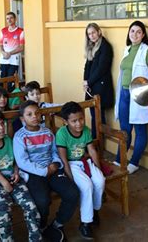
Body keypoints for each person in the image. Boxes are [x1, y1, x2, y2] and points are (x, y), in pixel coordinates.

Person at [13, 101, 79, 242]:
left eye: (37, 113)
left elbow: (55, 152)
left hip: (52, 168)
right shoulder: (19, 136)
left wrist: (55, 163)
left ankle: (57, 224)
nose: (34, 117)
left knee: (72, 193)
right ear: (22, 119)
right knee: (42, 201)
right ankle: (42, 226)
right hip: (34, 173)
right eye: (29, 114)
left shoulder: (47, 132)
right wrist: (44, 171)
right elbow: (22, 161)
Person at [0, 109, 42, 242]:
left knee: (31, 207)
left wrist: (16, 172)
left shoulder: (8, 139)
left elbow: (15, 161)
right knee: (3, 212)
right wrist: (4, 183)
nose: (1, 128)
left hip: (13, 178)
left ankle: (36, 238)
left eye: (2, 124)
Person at [114, 21, 148, 174]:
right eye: (132, 31)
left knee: (140, 130)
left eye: (138, 32)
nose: (134, 34)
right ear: (128, 33)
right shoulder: (127, 50)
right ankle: (119, 160)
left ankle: (134, 163)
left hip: (139, 96)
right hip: (124, 94)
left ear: (143, 35)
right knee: (125, 130)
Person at [56, 102, 105, 239]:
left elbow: (92, 151)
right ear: (65, 121)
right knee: (86, 186)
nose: (79, 124)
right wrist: (70, 179)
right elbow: (64, 159)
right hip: (71, 164)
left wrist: (99, 170)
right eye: (74, 121)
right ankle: (85, 223)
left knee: (100, 181)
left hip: (84, 161)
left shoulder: (86, 130)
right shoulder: (62, 134)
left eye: (81, 119)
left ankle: (94, 211)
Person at [83, 23, 114, 138]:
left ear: (99, 32)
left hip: (101, 86)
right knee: (94, 114)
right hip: (92, 86)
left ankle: (98, 142)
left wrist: (88, 82)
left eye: (93, 32)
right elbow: (87, 67)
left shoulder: (105, 46)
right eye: (89, 34)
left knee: (98, 115)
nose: (92, 36)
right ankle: (95, 141)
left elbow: (102, 68)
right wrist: (85, 81)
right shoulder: (92, 47)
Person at [0, 12, 24, 80]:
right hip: (3, 60)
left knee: (11, 81)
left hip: (14, 61)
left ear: (15, 19)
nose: (9, 20)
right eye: (7, 18)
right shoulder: (3, 30)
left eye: (11, 18)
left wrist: (9, 53)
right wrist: (3, 53)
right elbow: (1, 45)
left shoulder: (20, 31)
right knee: (2, 80)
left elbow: (21, 47)